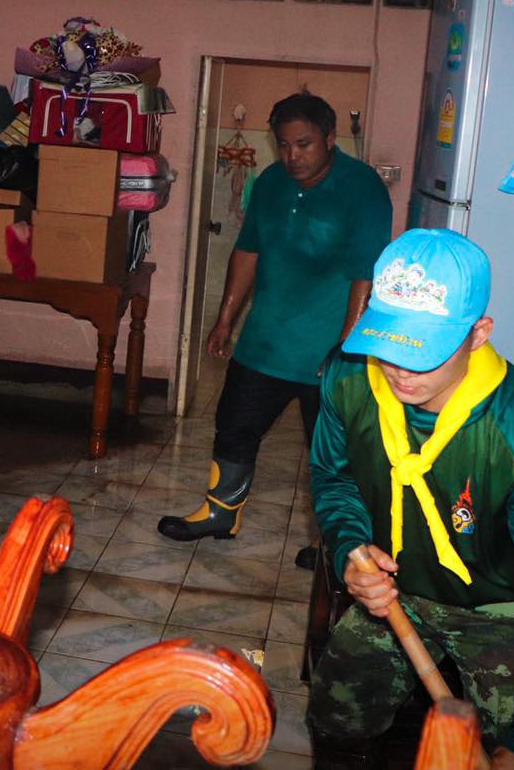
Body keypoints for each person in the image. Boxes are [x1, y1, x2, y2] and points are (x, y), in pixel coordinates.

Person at [307, 229, 514, 770]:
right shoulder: (349, 377)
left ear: (478, 334)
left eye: (422, 349)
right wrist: (352, 547)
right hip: (396, 590)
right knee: (335, 715)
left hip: (502, 606)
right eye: (388, 340)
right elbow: (334, 477)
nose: (398, 367)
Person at [159, 91, 391, 542]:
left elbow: (367, 273)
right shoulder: (269, 182)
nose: (292, 156)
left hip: (328, 349)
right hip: (265, 341)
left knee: (333, 452)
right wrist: (225, 320)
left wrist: (346, 350)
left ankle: (335, 544)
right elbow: (248, 250)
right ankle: (220, 513)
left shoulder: (362, 188)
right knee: (233, 426)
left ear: (329, 139)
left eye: (303, 144)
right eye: (283, 145)